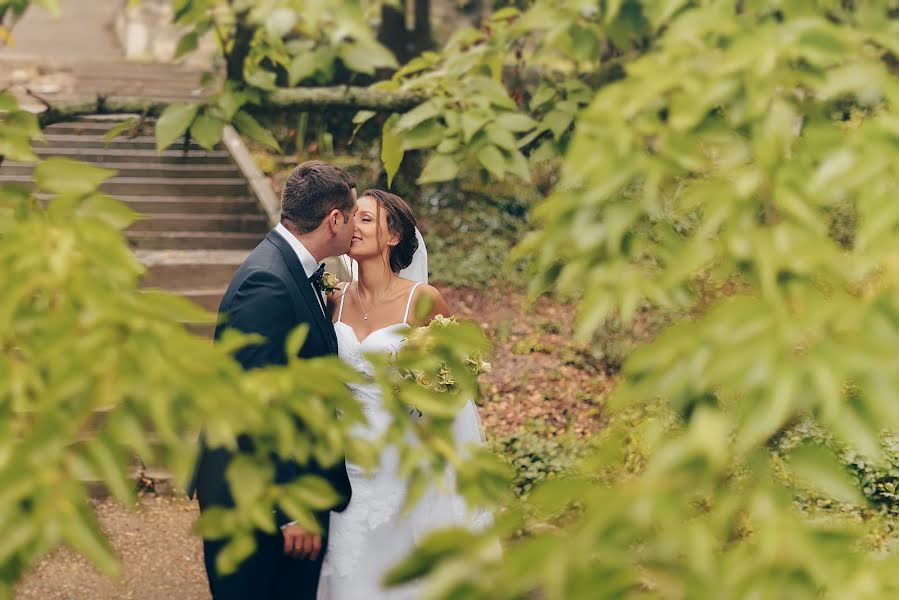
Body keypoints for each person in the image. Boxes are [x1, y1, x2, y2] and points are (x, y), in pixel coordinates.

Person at [187, 161, 358, 599]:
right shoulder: (267, 281)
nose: (356, 226)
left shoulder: (296, 269)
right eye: (354, 215)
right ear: (333, 219)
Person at [320, 189, 491, 599]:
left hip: (402, 457)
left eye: (365, 219)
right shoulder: (333, 299)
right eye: (351, 218)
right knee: (347, 572)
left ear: (393, 235)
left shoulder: (423, 300)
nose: (353, 226)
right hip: (347, 460)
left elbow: (456, 383)